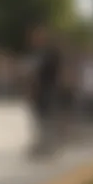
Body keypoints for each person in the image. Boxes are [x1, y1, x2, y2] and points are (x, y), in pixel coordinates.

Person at [26, 26, 63, 159]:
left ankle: (49, 146)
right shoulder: (37, 54)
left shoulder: (50, 54)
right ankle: (42, 144)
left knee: (46, 118)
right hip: (39, 90)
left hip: (48, 89)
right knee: (38, 118)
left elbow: (55, 73)